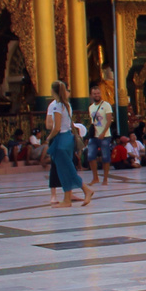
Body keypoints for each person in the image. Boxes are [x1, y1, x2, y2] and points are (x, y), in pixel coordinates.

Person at [46, 79, 92, 207]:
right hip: (68, 138)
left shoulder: (56, 106)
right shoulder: (67, 105)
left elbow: (56, 127)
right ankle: (67, 199)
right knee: (64, 169)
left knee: (67, 169)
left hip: (61, 139)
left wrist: (49, 138)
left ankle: (86, 190)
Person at [86, 86, 118, 184]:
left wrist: (103, 132)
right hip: (94, 136)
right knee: (90, 156)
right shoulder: (91, 107)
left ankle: (105, 178)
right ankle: (95, 177)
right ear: (92, 95)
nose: (96, 95)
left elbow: (109, 120)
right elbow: (92, 122)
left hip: (105, 135)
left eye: (98, 93)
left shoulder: (106, 105)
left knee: (105, 157)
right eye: (94, 94)